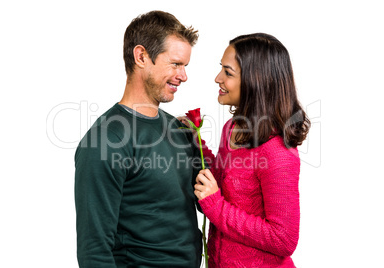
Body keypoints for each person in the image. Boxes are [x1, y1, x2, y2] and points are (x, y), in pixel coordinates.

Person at [74, 11, 203, 267]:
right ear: (141, 56)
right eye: (175, 64)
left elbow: (206, 199)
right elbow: (94, 250)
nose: (184, 76)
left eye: (185, 66)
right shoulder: (106, 140)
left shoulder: (178, 128)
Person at [193, 33, 310, 267]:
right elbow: (219, 186)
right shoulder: (232, 129)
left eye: (228, 72)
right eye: (221, 69)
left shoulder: (278, 153)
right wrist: (194, 142)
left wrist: (215, 205)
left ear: (255, 81)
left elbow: (283, 239)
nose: (218, 78)